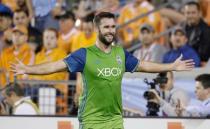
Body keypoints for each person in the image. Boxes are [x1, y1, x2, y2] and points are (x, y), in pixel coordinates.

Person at [10, 12, 194, 129]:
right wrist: (28, 69)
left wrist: (171, 66)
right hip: (91, 120)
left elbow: (143, 65)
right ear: (97, 29)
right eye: (106, 27)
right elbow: (54, 66)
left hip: (115, 120)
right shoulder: (84, 54)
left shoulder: (120, 53)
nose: (111, 30)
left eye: (113, 27)